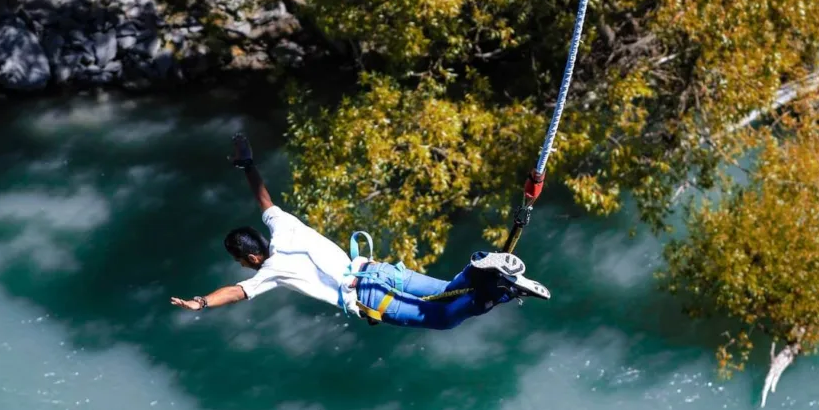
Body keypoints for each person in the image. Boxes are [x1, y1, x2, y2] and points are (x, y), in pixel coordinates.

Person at [170, 133, 550, 330]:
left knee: (444, 317)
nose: (242, 268)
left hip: (369, 295)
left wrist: (201, 302)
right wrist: (247, 163)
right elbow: (263, 199)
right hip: (375, 270)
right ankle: (489, 274)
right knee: (446, 292)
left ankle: (496, 283)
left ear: (252, 257)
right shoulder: (282, 225)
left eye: (240, 261)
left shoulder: (271, 271)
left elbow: (237, 293)